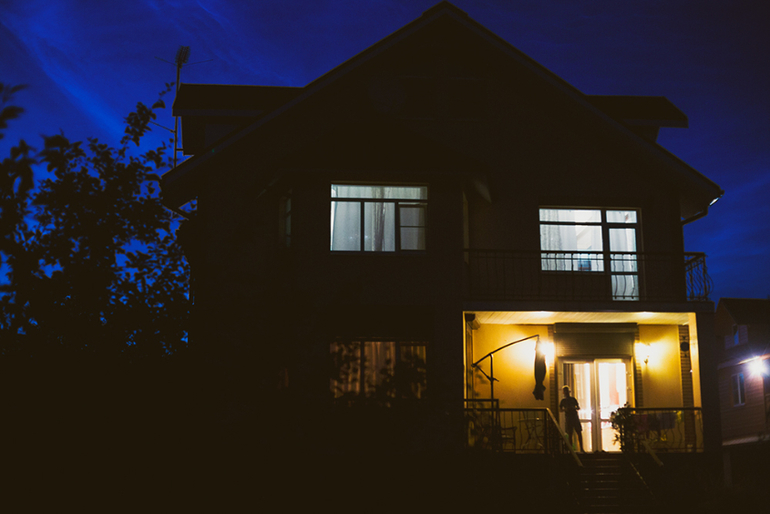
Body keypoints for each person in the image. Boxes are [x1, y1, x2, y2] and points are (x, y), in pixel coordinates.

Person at [560, 385, 585, 452]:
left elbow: (578, 407)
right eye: (565, 391)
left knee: (578, 433)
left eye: (567, 391)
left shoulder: (572, 399)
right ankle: (572, 449)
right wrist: (566, 409)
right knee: (570, 434)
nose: (566, 393)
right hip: (570, 418)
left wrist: (573, 408)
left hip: (574, 417)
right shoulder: (563, 401)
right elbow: (560, 409)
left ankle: (581, 448)